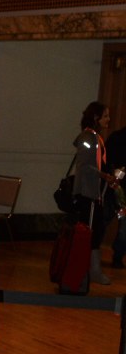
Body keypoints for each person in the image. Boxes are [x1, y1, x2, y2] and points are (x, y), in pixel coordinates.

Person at [72, 100, 115, 284]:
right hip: (87, 194)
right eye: (105, 116)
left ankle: (93, 271)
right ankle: (86, 271)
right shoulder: (88, 137)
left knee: (95, 231)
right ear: (96, 118)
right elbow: (84, 166)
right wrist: (103, 175)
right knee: (89, 233)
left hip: (95, 194)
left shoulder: (96, 138)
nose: (108, 119)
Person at [105, 124, 126, 268]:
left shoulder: (116, 137)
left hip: (115, 188)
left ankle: (118, 255)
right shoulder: (117, 138)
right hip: (115, 189)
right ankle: (117, 256)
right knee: (107, 220)